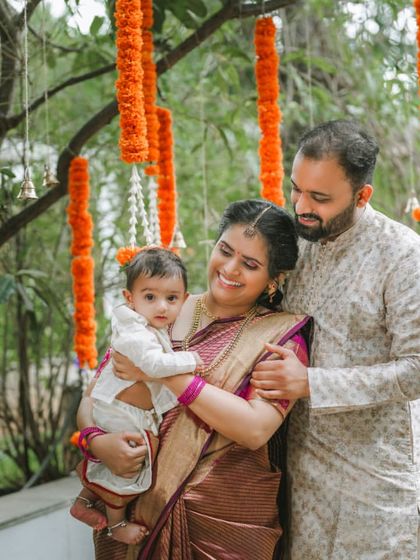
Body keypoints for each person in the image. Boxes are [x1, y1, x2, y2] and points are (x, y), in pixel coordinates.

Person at [76, 199, 311, 559]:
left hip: (222, 521)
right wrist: (95, 443)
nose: (230, 268)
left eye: (250, 264)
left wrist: (164, 374)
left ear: (272, 280)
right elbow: (97, 393)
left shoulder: (279, 337)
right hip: (136, 514)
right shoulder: (160, 306)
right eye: (225, 250)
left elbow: (254, 428)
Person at [251, 120, 420, 559]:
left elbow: (417, 368)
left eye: (320, 198)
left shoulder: (403, 256)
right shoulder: (295, 242)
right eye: (296, 190)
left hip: (374, 481)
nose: (301, 206)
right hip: (298, 478)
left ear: (363, 196)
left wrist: (311, 383)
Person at [71, 248, 202, 545]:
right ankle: (116, 524)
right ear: (129, 298)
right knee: (129, 467)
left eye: (172, 298)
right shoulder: (136, 333)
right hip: (121, 414)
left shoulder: (148, 327)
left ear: (185, 298)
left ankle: (83, 501)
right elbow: (155, 366)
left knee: (113, 463)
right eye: (150, 297)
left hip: (123, 411)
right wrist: (192, 361)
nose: (162, 307)